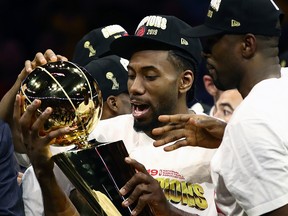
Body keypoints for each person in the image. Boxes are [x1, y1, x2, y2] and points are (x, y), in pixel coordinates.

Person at [18, 14, 219, 215]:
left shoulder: (218, 140)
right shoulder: (97, 135)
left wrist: (165, 210)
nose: (135, 88)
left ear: (184, 81)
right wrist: (43, 171)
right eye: (131, 75)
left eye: (150, 76)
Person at [151, 0, 288, 215]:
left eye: (213, 41)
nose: (205, 53)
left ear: (247, 45)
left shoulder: (250, 123)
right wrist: (228, 139)